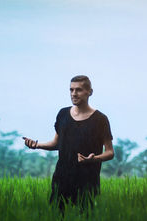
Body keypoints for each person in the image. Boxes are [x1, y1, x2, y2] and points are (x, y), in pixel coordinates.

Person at [23, 75, 114, 212]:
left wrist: (94, 159)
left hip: (87, 182)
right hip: (61, 179)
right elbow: (56, 143)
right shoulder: (63, 114)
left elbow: (110, 152)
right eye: (71, 90)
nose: (73, 94)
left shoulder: (100, 119)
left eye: (78, 90)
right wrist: (37, 145)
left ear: (90, 92)